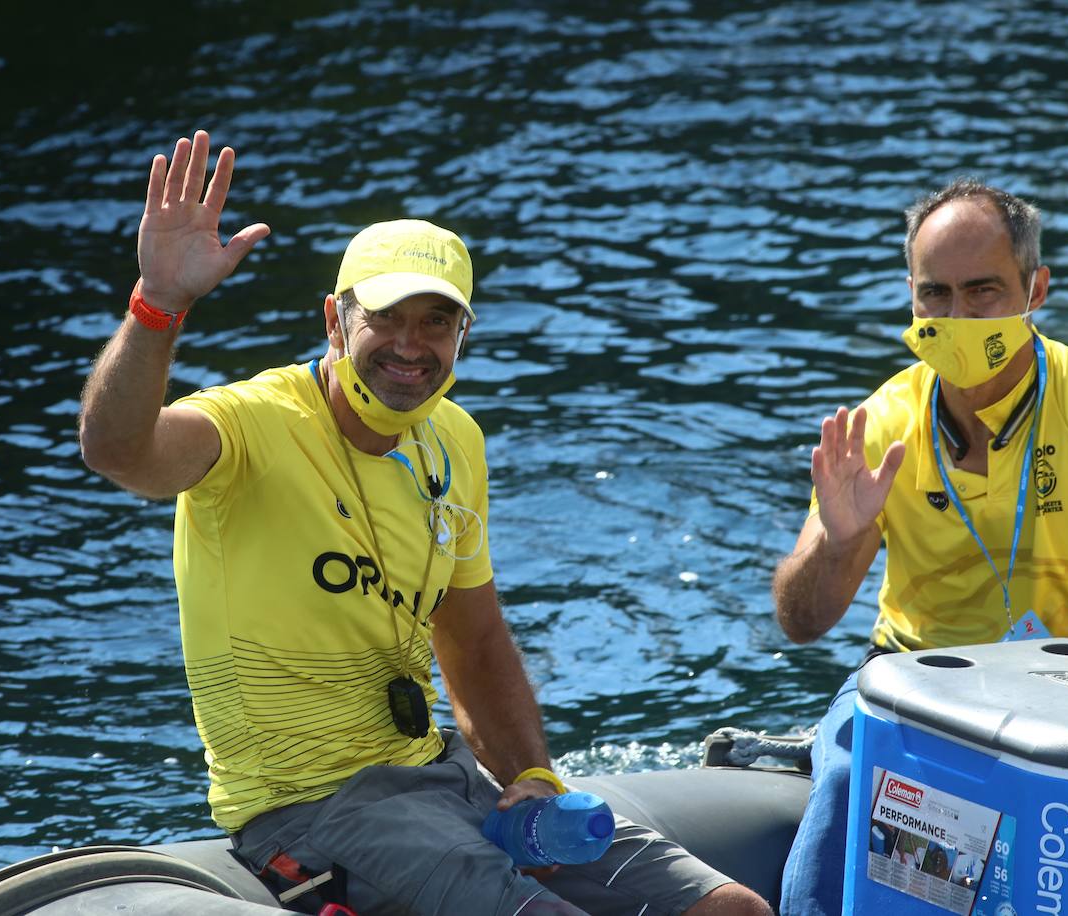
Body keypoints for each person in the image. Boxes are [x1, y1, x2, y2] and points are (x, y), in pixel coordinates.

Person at [79, 130, 771, 916]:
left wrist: (533, 775)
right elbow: (119, 451)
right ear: (335, 320)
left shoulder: (454, 440)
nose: (410, 346)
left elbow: (472, 640)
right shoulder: (249, 426)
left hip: (443, 776)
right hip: (312, 807)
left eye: (436, 322)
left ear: (462, 335)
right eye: (385, 318)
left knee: (730, 909)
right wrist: (159, 305)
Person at [770, 178, 1068, 915]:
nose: (957, 315)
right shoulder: (880, 428)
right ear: (910, 294)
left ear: (1036, 288)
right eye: (934, 294)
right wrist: (840, 543)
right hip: (917, 680)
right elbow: (801, 621)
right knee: (848, 777)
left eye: (983, 291)